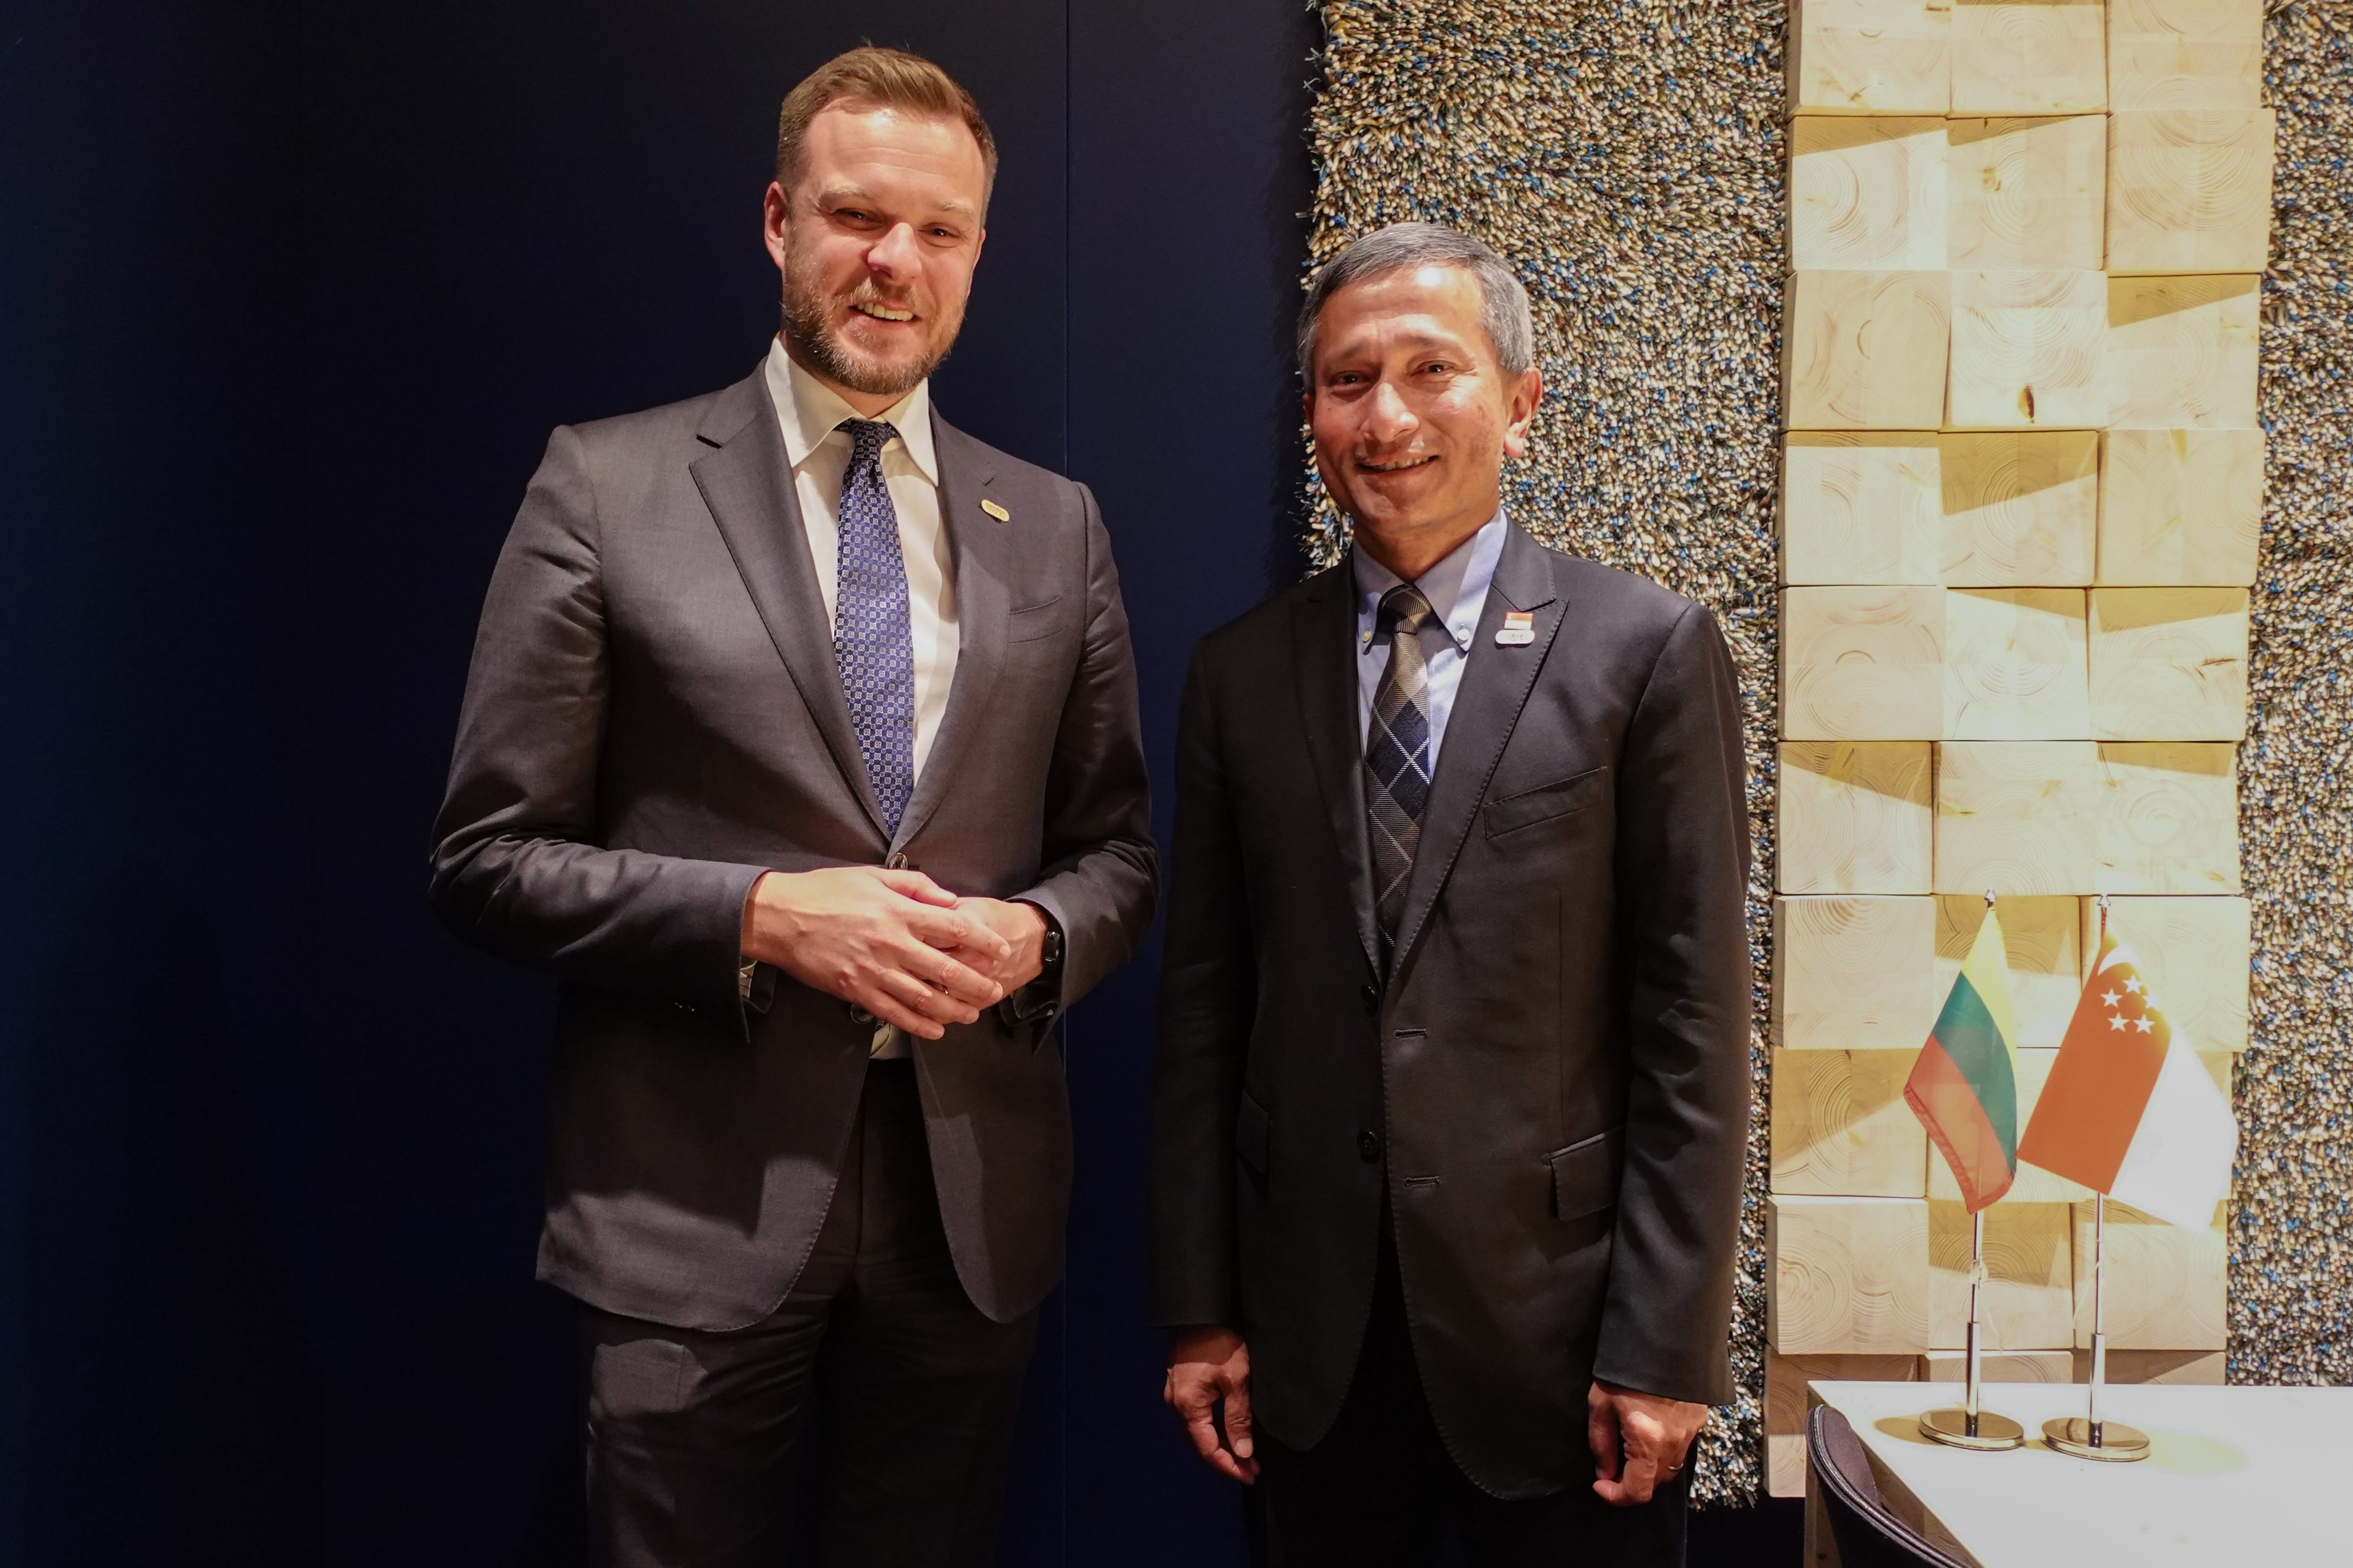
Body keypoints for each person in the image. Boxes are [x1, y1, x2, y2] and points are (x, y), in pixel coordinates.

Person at [429, 46, 1155, 1567]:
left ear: (974, 251)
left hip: (970, 1216)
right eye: (854, 216)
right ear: (779, 221)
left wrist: (1033, 938)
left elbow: (1117, 857)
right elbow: (487, 862)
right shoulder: (604, 485)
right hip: (689, 1211)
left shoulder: (1058, 525)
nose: (894, 262)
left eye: (938, 229)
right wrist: (758, 914)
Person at [1150, 223, 1750, 1567]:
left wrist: (1666, 1347)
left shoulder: (1644, 650)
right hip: (1307, 1349)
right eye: (1347, 379)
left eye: (1434, 369)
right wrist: (1200, 1309)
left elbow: (1695, 1033)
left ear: (1520, 403)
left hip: (1566, 1354)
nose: (1388, 415)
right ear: (1311, 413)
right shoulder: (1239, 674)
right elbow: (1202, 1013)